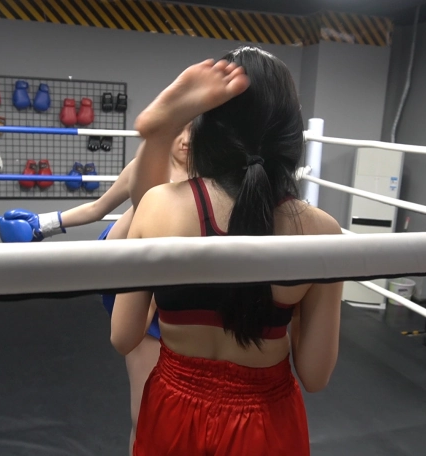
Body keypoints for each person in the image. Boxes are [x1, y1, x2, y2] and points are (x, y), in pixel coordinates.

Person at [111, 47, 343, 455]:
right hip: (265, 418)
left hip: (173, 409)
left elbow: (123, 336)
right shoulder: (320, 232)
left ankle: (159, 137)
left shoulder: (158, 206)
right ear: (291, 137)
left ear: (207, 131)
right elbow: (315, 375)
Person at [0, 124, 191, 456]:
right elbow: (98, 208)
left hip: (174, 289)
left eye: (193, 130)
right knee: (143, 412)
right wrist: (42, 226)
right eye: (179, 129)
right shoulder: (144, 168)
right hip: (131, 277)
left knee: (176, 411)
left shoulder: (207, 180)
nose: (185, 139)